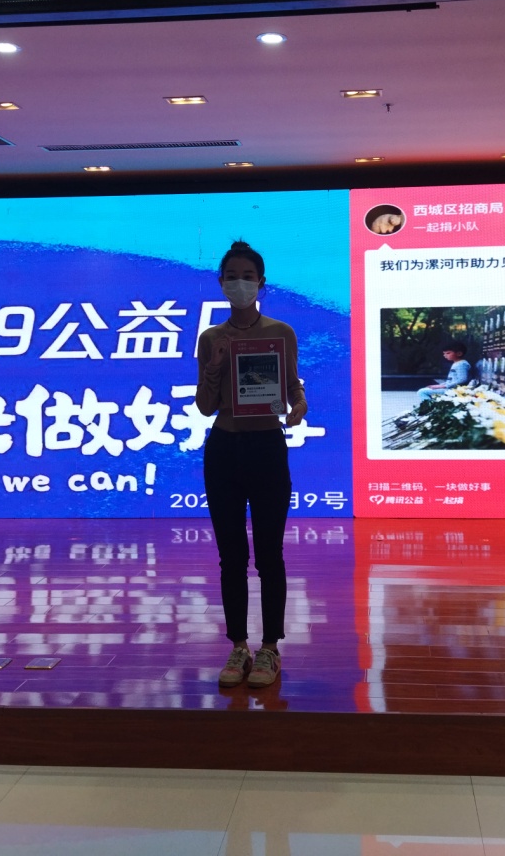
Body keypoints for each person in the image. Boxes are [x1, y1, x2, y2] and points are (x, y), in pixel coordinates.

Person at [196, 240, 307, 688]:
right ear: (220, 282)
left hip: (267, 447)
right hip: (224, 449)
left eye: (247, 276)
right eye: (232, 276)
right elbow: (205, 406)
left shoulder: (281, 333)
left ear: (261, 282)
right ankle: (238, 646)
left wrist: (299, 407)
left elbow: (293, 388)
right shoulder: (211, 338)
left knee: (269, 553)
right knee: (231, 557)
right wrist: (215, 367)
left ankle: (270, 648)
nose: (239, 284)